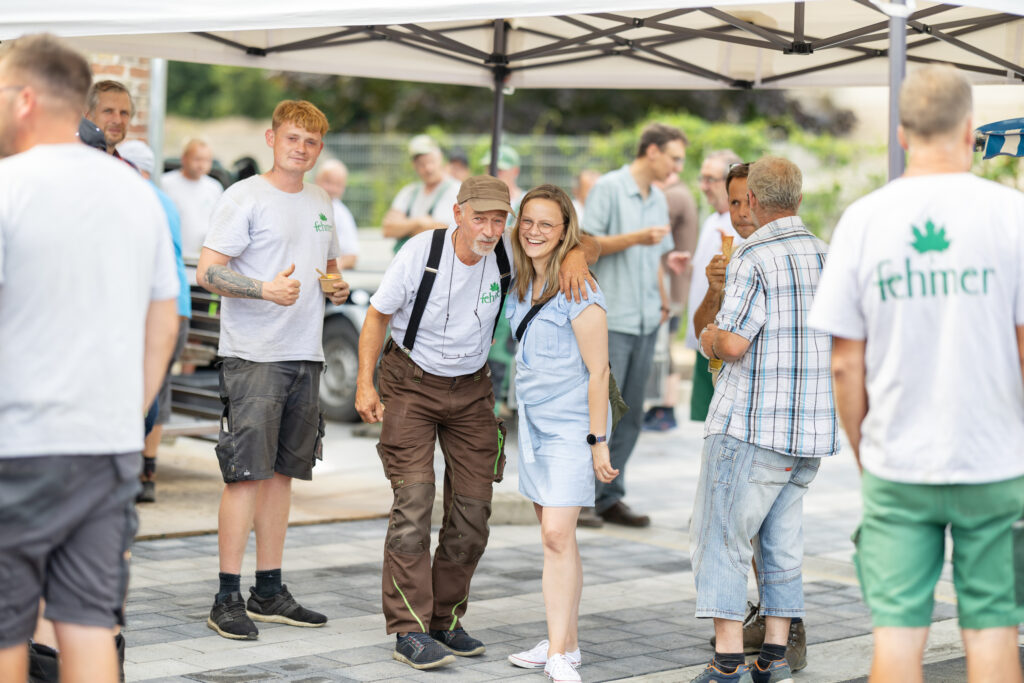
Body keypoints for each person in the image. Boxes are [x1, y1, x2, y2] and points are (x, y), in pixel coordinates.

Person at [809, 64, 1024, 683]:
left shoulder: (864, 219)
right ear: (970, 131)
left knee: (898, 640)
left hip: (898, 462)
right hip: (996, 461)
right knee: (992, 633)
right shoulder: (1010, 215)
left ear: (902, 133)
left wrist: (864, 450)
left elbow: (846, 362)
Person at [355, 175, 598, 671]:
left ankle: (444, 619)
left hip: (471, 389)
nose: (489, 229)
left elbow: (569, 237)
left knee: (472, 512)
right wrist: (365, 383)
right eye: (479, 216)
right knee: (414, 502)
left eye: (498, 218)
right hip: (410, 383)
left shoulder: (509, 252)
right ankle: (409, 628)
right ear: (457, 211)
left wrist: (576, 256)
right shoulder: (420, 253)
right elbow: (377, 316)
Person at [0, 33, 180, 683]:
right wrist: (126, 412)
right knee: (88, 622)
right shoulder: (136, 194)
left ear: (24, 98)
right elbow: (166, 317)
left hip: (18, 441)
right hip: (105, 446)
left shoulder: (8, 186)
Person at [197, 100, 350, 642]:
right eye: (292, 139)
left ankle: (268, 590)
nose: (301, 149)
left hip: (304, 354)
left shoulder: (320, 199)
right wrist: (263, 288)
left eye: (310, 142)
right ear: (271, 138)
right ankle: (225, 597)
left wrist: (337, 287)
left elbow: (329, 271)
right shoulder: (243, 197)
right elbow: (208, 269)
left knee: (283, 476)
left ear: (319, 147)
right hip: (254, 355)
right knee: (245, 475)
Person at [690, 156, 837, 683]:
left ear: (753, 199)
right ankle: (774, 658)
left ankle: (727, 661)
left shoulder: (755, 254)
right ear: (797, 198)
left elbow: (730, 343)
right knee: (781, 544)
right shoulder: (827, 254)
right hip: (809, 432)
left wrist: (707, 336)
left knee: (723, 539)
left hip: (751, 425)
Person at [503, 185, 617, 683]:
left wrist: (598, 441)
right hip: (532, 425)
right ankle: (564, 645)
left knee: (554, 534)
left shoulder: (581, 287)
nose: (534, 231)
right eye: (528, 221)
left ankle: (556, 655)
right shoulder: (518, 284)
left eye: (547, 224)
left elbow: (600, 372)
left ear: (565, 230)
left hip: (574, 427)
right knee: (559, 540)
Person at [579, 122, 690, 528]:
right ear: (653, 151)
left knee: (634, 414)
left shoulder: (658, 197)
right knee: (604, 412)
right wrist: (635, 238)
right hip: (613, 319)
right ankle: (582, 498)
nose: (677, 166)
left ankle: (609, 497)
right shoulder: (609, 188)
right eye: (675, 158)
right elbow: (587, 246)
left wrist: (663, 305)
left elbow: (658, 257)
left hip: (647, 320)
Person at [118, 139, 194, 504]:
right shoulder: (166, 200)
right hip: (179, 308)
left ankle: (129, 473)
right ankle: (147, 470)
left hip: (156, 308)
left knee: (138, 388)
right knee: (157, 387)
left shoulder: (136, 197)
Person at [685, 150, 743, 424]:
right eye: (702, 178)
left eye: (711, 179)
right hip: (702, 333)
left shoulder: (740, 226)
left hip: (722, 340)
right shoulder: (712, 221)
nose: (703, 186)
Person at [643, 171, 699, 432]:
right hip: (675, 288)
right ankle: (663, 407)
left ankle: (666, 410)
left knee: (666, 349)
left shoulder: (673, 196)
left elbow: (647, 222)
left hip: (671, 290)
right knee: (666, 347)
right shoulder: (681, 193)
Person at [381, 134, 460, 253]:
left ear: (441, 159)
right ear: (414, 165)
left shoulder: (456, 190)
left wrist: (405, 228)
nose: (428, 168)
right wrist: (419, 222)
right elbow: (388, 229)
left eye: (431, 161)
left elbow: (449, 232)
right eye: (422, 164)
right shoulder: (409, 192)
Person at [162, 139, 224, 262]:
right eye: (197, 159)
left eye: (206, 160)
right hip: (174, 258)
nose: (202, 165)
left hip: (201, 261)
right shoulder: (165, 183)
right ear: (184, 159)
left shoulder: (215, 187)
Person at [315, 159, 359, 270]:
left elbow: (351, 256)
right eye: (328, 182)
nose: (332, 188)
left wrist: (332, 267)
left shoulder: (342, 214)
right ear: (317, 180)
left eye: (338, 184)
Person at [85, 79, 132, 155]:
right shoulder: (68, 163)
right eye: (108, 111)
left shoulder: (127, 166)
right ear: (88, 116)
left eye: (124, 113)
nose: (118, 120)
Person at [482, 144, 524, 210]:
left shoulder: (527, 203)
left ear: (515, 171)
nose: (493, 174)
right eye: (489, 168)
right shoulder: (478, 203)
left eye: (499, 169)